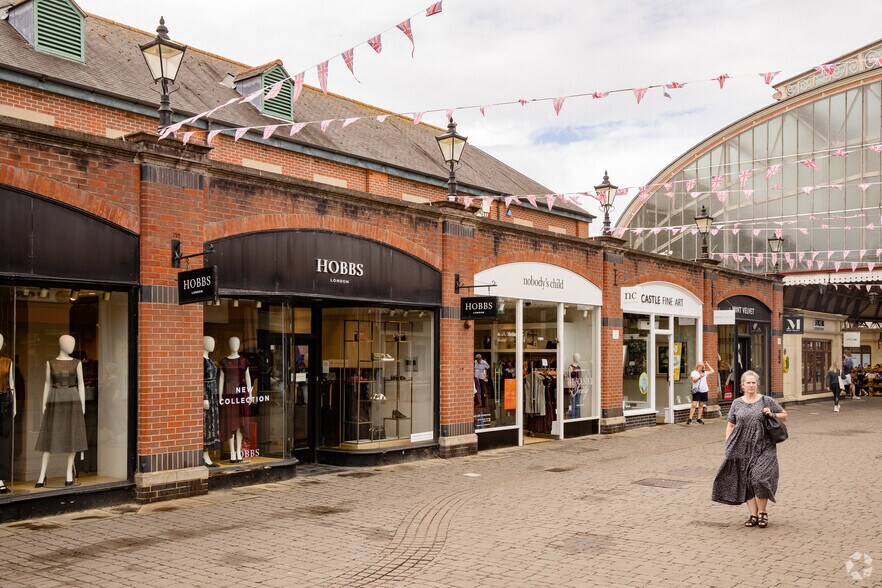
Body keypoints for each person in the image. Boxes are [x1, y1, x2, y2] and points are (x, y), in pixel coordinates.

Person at [712, 370, 787, 528]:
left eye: (753, 383)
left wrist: (771, 413)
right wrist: (728, 444)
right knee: (746, 481)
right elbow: (731, 424)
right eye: (748, 383)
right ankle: (753, 515)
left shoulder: (766, 400)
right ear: (742, 385)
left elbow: (784, 415)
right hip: (741, 447)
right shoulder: (736, 403)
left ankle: (762, 512)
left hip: (764, 446)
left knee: (760, 478)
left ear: (757, 384)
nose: (751, 385)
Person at [34, 335, 87, 488]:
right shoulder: (50, 363)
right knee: (51, 435)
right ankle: (42, 474)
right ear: (60, 344)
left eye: (73, 343)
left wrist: (82, 404)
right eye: (68, 342)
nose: (71, 345)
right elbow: (47, 383)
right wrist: (43, 402)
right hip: (55, 398)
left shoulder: (77, 363)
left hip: (72, 398)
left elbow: (81, 384)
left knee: (72, 435)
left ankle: (69, 472)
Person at [218, 337, 253, 464]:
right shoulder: (224, 361)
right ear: (229, 344)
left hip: (241, 394)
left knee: (240, 424)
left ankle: (238, 452)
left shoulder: (243, 361)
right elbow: (221, 379)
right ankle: (232, 452)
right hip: (229, 394)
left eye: (237, 343)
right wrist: (220, 396)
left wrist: (250, 394)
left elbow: (248, 377)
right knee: (230, 423)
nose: (235, 345)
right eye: (232, 343)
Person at [0, 334, 15, 494]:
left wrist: (14, 407)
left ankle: (1, 478)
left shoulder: (7, 362)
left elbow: (12, 385)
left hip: (4, 401)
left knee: (3, 441)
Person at [202, 336, 221, 468]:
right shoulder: (201, 361)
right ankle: (204, 455)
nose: (212, 344)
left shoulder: (209, 360)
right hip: (207, 396)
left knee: (211, 425)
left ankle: (206, 455)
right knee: (206, 425)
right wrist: (204, 397)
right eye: (209, 342)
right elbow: (199, 380)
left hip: (213, 395)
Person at [687, 360, 714, 425]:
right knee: (694, 405)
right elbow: (694, 380)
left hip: (704, 390)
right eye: (699, 366)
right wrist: (700, 377)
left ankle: (698, 419)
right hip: (697, 391)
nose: (700, 367)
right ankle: (690, 419)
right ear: (697, 366)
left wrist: (707, 364)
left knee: (701, 405)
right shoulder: (694, 372)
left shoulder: (704, 372)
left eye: (702, 366)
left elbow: (712, 371)